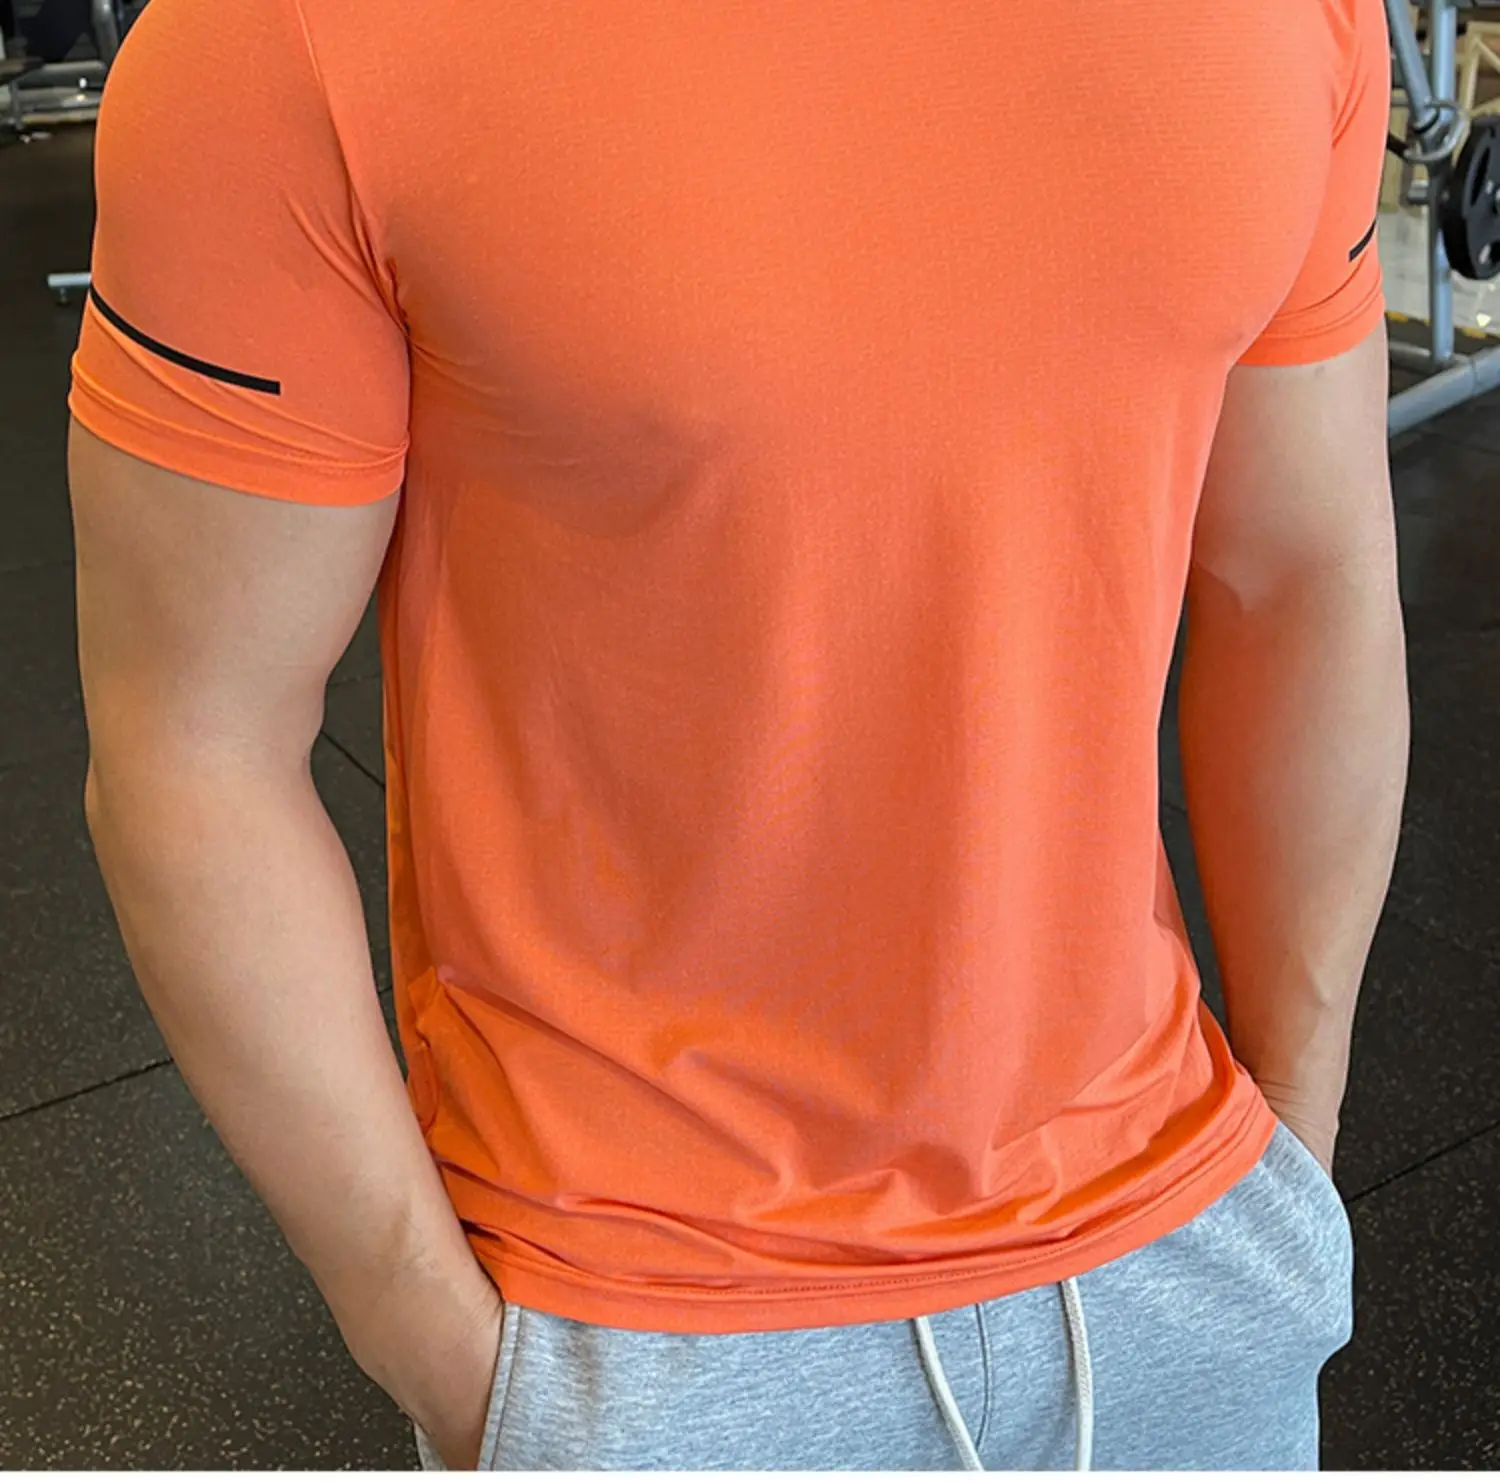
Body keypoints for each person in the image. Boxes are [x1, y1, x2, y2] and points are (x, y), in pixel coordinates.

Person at [67, 0, 1409, 1468]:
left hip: (1188, 1257)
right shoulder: (286, 42)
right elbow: (192, 743)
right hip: (636, 1336)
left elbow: (1306, 576)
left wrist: (1293, 1164)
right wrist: (451, 1353)